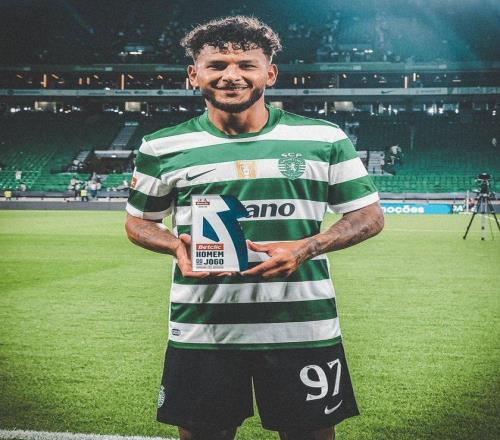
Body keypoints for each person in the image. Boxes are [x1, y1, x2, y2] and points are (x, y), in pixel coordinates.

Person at [125, 16, 384, 440]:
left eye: (246, 64)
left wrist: (306, 248)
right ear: (194, 75)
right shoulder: (161, 146)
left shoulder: (324, 138)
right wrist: (175, 246)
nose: (231, 75)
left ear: (270, 73)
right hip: (204, 329)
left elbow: (368, 216)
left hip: (302, 327)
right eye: (217, 65)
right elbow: (138, 222)